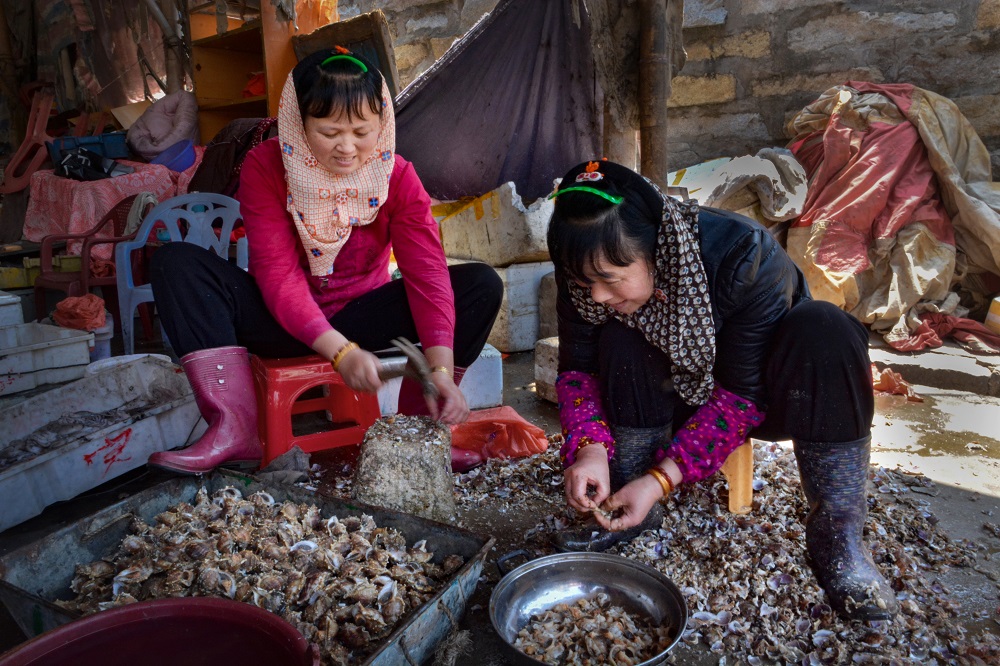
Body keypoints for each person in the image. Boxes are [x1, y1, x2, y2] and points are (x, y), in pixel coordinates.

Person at [546, 158, 898, 622]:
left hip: (759, 397)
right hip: (666, 400)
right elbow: (577, 372)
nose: (593, 295)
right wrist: (589, 449)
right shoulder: (589, 284)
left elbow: (740, 398)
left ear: (657, 250)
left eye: (608, 279)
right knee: (618, 327)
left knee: (826, 329)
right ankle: (626, 496)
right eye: (582, 282)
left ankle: (839, 540)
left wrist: (662, 480)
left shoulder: (742, 256)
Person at [148, 48, 502, 475]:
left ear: (383, 122)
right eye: (330, 131)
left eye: (361, 130)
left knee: (479, 284)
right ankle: (234, 430)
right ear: (298, 122)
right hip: (278, 322)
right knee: (176, 263)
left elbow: (426, 275)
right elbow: (277, 275)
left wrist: (441, 369)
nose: (347, 148)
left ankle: (418, 433)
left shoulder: (398, 175)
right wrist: (340, 353)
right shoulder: (267, 165)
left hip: (360, 318)